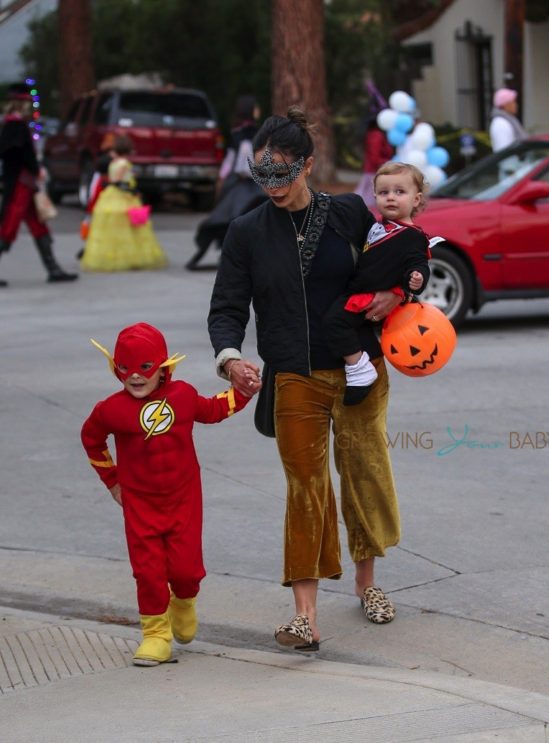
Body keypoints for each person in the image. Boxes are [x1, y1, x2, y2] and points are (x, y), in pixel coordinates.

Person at [208, 107, 403, 652]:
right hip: (293, 373)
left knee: (363, 474)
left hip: (359, 370)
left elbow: (403, 254)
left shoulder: (347, 214)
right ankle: (305, 616)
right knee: (305, 488)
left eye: (284, 174)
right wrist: (230, 358)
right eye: (263, 174)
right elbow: (227, 307)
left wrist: (400, 293)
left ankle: (367, 584)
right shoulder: (246, 232)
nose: (272, 186)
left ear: (308, 166)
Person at [81, 322, 258, 666]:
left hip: (183, 499)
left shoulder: (182, 395)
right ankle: (155, 634)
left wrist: (246, 391)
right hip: (139, 503)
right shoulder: (110, 410)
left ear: (163, 367)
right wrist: (112, 481)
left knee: (186, 571)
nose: (134, 376)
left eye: (144, 368)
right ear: (114, 368)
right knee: (147, 572)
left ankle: (184, 601)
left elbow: (214, 409)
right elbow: (91, 439)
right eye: (124, 368)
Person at [324, 162, 432, 405]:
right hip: (362, 289)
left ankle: (358, 367)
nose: (391, 197)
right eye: (384, 193)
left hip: (374, 296)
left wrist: (416, 278)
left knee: (334, 322)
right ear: (374, 196)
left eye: (399, 192)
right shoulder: (378, 227)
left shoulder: (413, 235)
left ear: (416, 199)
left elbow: (419, 263)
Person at [0, 84, 77, 288]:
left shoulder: (13, 125)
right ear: (21, 103)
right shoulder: (16, 126)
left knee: (37, 224)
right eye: (28, 102)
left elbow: (3, 152)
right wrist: (35, 169)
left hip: (24, 182)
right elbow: (20, 154)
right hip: (20, 183)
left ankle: (53, 269)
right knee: (10, 225)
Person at [186, 95, 267, 270]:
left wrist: (223, 178)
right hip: (247, 183)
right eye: (256, 108)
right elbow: (244, 162)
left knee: (228, 216)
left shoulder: (236, 132)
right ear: (251, 111)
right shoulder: (252, 133)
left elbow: (229, 160)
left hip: (235, 182)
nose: (259, 111)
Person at [80, 135, 168, 272]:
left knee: (111, 230)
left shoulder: (113, 162)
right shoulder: (124, 164)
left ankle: (109, 256)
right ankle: (131, 257)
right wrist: (134, 191)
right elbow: (119, 182)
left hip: (110, 196)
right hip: (123, 196)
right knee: (130, 228)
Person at [354, 115, 393, 208]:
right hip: (375, 169)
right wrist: (386, 162)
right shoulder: (376, 135)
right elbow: (374, 154)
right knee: (369, 196)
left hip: (371, 168)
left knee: (365, 192)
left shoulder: (370, 134)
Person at [489, 88, 527, 153]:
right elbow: (503, 150)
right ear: (505, 105)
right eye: (513, 102)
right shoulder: (500, 123)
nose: (516, 105)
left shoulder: (510, 120)